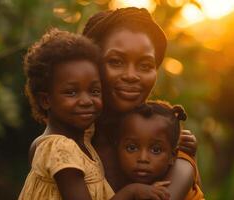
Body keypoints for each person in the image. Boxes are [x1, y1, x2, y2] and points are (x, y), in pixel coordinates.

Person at [19, 28, 171, 200]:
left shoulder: (81, 136)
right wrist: (133, 191)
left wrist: (174, 137)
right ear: (46, 100)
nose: (86, 101)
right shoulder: (61, 148)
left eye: (94, 91)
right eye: (71, 92)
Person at [82, 7, 203, 200]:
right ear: (92, 65)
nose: (131, 76)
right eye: (116, 61)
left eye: (145, 65)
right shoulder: (68, 146)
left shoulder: (168, 138)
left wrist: (188, 161)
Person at [117, 101, 204, 200]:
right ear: (117, 147)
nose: (143, 158)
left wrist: (131, 192)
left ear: (173, 156)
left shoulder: (175, 180)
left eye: (156, 150)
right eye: (132, 148)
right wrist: (132, 190)